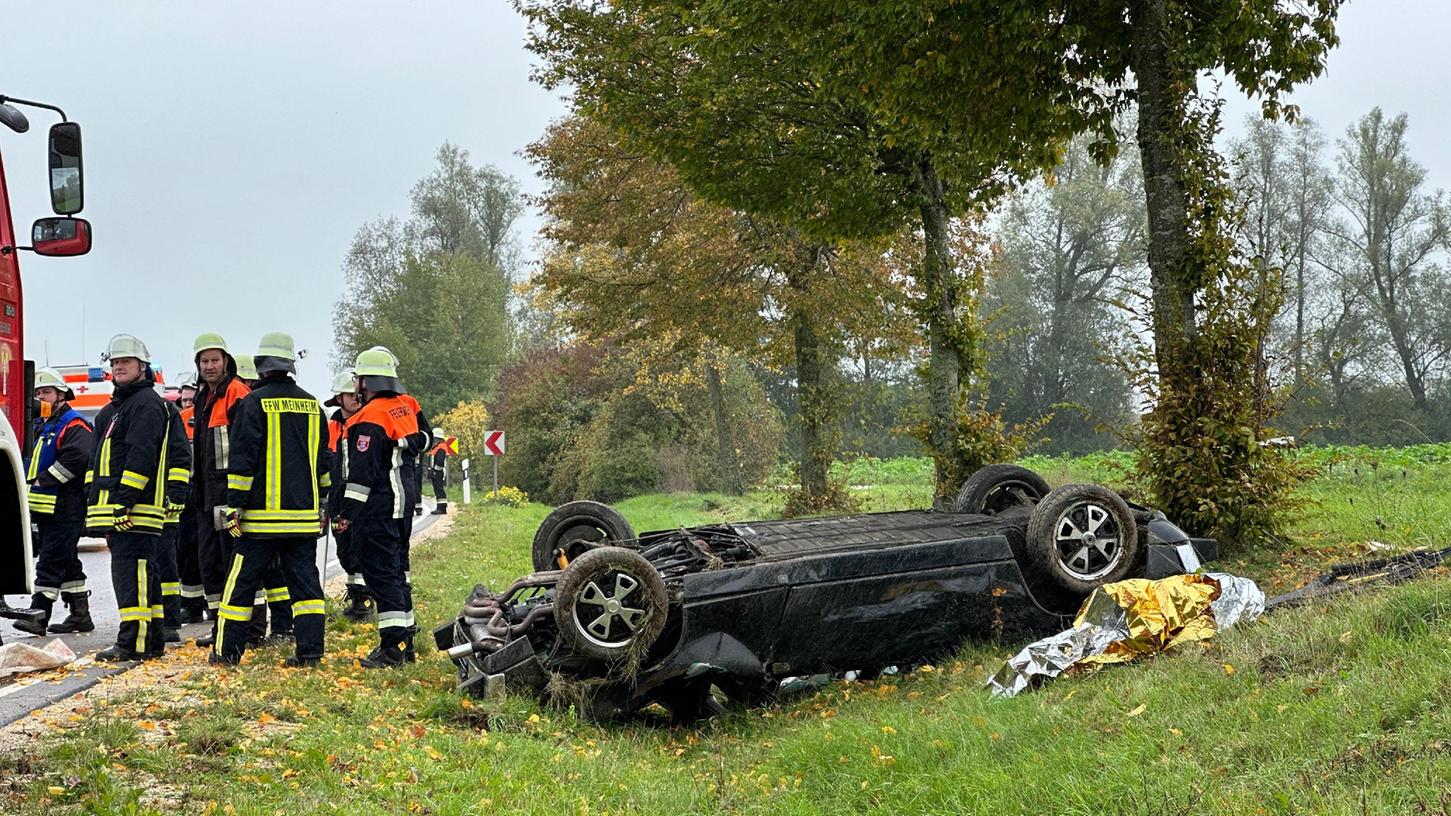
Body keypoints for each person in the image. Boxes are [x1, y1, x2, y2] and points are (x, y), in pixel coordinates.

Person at [211, 333, 330, 667]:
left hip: (259, 520)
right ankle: (310, 653)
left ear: (261, 366)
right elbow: (324, 462)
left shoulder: (252, 403)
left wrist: (234, 504)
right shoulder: (313, 405)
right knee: (306, 588)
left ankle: (227, 653)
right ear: (291, 365)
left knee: (240, 586)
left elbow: (243, 460)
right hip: (303, 520)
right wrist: (324, 502)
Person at [85, 335, 172, 661]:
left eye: (126, 362)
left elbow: (141, 456)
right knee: (142, 573)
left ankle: (131, 643)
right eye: (115, 362)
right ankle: (151, 641)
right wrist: (93, 500)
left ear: (142, 367)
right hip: (118, 508)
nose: (118, 366)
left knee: (130, 573)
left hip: (134, 509)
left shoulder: (145, 404)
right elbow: (98, 461)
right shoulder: (114, 410)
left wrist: (125, 500)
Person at [335, 347, 419, 668]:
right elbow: (423, 439)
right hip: (403, 506)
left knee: (381, 577)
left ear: (366, 381)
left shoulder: (368, 418)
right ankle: (406, 642)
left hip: (378, 510)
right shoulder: (406, 406)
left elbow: (361, 477)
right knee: (397, 574)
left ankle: (392, 650)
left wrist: (346, 515)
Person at [13, 368, 96, 636]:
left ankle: (38, 616)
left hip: (67, 507)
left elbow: (77, 458)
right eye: (37, 393)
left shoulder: (75, 424)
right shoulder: (41, 425)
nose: (41, 398)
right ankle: (80, 616)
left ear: (61, 395)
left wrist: (44, 480)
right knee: (67, 560)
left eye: (46, 392)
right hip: (46, 509)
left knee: (49, 561)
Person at [189, 333, 251, 647]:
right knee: (209, 564)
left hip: (227, 494)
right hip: (206, 495)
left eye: (214, 360)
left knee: (230, 563)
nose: (209, 366)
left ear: (226, 361)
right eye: (204, 361)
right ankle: (219, 627)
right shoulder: (203, 396)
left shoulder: (236, 392)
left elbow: (246, 446)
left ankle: (239, 631)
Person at [324, 370, 371, 621]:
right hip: (337, 497)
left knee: (361, 546)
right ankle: (356, 594)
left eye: (357, 394)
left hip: (362, 496)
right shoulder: (330, 427)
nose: (355, 399)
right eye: (349, 395)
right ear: (338, 398)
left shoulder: (367, 423)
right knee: (343, 549)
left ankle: (363, 598)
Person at [156, 393, 193, 643]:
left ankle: (169, 621)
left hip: (165, 507)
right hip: (136, 506)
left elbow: (181, 457)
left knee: (166, 566)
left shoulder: (168, 414)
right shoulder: (118, 411)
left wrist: (176, 495)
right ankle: (151, 621)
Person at [174, 372, 207, 623]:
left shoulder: (211, 416)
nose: (188, 405)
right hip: (186, 496)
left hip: (209, 494)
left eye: (191, 399)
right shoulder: (180, 420)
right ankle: (191, 604)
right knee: (187, 552)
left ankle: (208, 603)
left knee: (210, 554)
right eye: (184, 400)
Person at [426, 427, 449, 515]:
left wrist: (435, 471)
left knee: (439, 489)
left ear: (437, 438)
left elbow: (440, 461)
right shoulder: (437, 446)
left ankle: (442, 508)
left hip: (438, 472)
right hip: (436, 472)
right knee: (438, 489)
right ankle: (440, 507)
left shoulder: (441, 447)